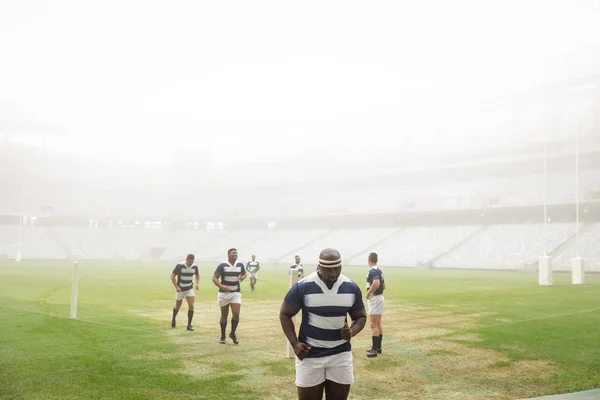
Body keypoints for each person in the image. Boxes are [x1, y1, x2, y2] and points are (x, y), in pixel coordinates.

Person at [280, 248, 366, 400]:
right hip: (310, 355)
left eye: (337, 268)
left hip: (340, 355)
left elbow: (360, 317)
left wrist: (352, 331)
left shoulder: (351, 287)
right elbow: (285, 314)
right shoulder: (303, 286)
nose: (333, 273)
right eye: (328, 269)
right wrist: (294, 344)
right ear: (319, 266)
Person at [212, 248, 247, 344]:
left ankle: (232, 333)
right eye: (233, 253)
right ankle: (223, 336)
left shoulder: (240, 265)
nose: (235, 254)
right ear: (228, 255)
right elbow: (214, 278)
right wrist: (222, 286)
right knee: (224, 315)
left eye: (236, 253)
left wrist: (243, 277)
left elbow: (244, 273)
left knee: (236, 314)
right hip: (223, 294)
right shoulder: (222, 265)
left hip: (235, 293)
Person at [170, 253, 199, 331]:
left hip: (189, 288)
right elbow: (172, 276)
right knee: (178, 306)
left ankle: (189, 325)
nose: (190, 263)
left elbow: (197, 275)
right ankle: (173, 320)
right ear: (186, 260)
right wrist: (176, 287)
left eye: (192, 261)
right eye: (189, 261)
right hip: (180, 289)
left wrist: (197, 284)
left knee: (191, 305)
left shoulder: (195, 266)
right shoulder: (180, 265)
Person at [365, 252, 385, 358]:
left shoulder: (373, 271)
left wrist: (368, 293)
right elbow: (384, 285)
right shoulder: (379, 270)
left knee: (374, 325)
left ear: (369, 259)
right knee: (378, 323)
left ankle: (374, 350)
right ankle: (378, 347)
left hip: (375, 298)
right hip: (380, 297)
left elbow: (376, 283)